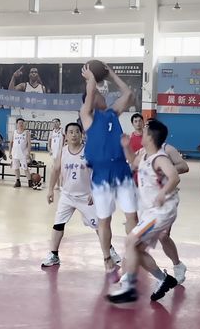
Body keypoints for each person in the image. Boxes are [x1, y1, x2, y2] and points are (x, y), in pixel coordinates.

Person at [108, 120, 181, 304]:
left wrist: (163, 193)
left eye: (145, 131)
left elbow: (174, 177)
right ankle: (163, 279)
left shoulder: (160, 158)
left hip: (161, 211)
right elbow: (133, 162)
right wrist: (126, 147)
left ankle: (129, 288)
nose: (141, 132)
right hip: (151, 212)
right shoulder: (144, 154)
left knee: (130, 240)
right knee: (137, 249)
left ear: (150, 137)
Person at [80, 61, 137, 276]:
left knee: (132, 216)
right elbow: (90, 91)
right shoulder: (87, 117)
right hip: (102, 176)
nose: (100, 95)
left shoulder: (113, 113)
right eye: (96, 94)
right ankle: (106, 257)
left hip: (121, 171)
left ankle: (131, 252)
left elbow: (128, 93)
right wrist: (91, 78)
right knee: (105, 220)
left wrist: (111, 74)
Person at [41, 122, 120, 267]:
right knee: (58, 223)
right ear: (66, 136)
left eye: (77, 132)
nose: (74, 135)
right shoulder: (63, 151)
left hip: (86, 196)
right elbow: (55, 170)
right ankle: (53, 254)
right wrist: (50, 189)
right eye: (70, 132)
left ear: (81, 134)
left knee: (100, 226)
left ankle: (109, 251)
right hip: (67, 195)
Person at [10, 118, 33, 188]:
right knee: (16, 168)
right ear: (17, 124)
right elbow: (11, 143)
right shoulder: (14, 132)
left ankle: (30, 181)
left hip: (23, 154)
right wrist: (10, 153)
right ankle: (18, 181)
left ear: (24, 124)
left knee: (25, 168)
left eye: (22, 123)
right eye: (19, 123)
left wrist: (28, 153)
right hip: (15, 153)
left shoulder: (27, 132)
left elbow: (29, 144)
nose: (21, 124)